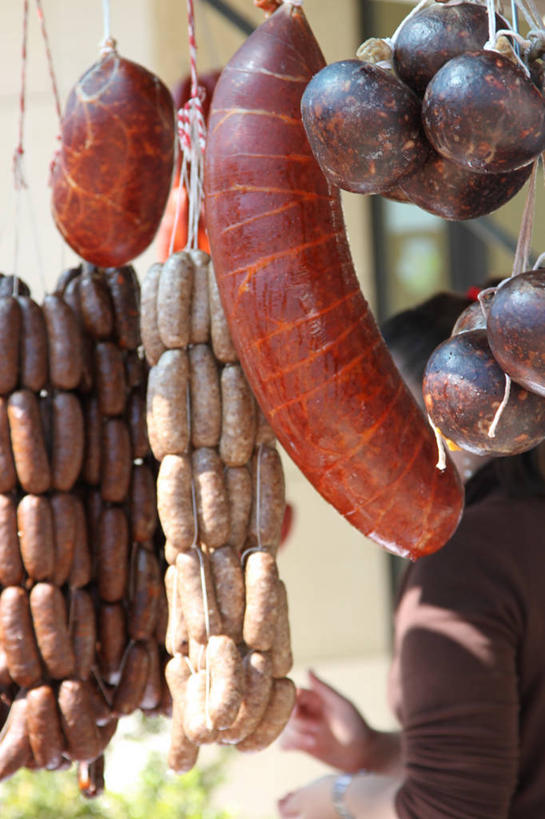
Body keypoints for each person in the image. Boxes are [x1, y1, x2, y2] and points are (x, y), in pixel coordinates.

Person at [277, 292, 545, 818]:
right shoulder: (518, 527)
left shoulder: (462, 563)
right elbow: (507, 764)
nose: (367, 453)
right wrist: (372, 751)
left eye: (378, 425)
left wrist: (336, 799)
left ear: (453, 408)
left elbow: (452, 811)